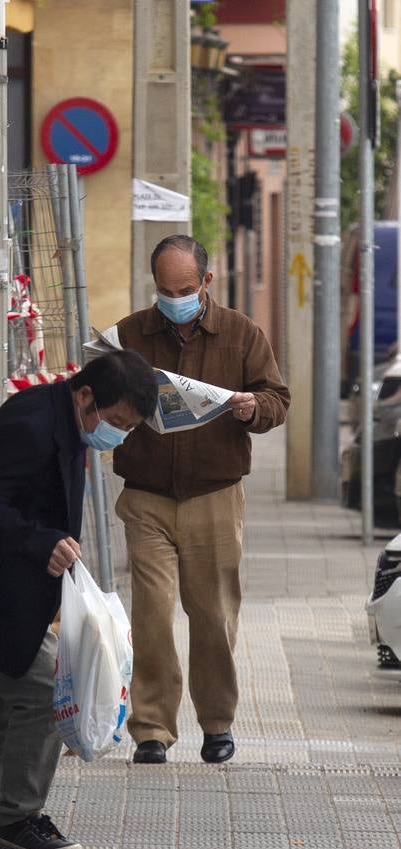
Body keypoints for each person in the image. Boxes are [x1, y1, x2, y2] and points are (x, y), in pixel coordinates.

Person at [0, 350, 158, 849]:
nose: (118, 436)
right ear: (86, 397)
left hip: (2, 589)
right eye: (117, 422)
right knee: (39, 691)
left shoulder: (65, 422)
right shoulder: (34, 425)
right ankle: (16, 820)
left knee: (9, 704)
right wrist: (40, 542)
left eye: (129, 428)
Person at [112, 234, 290, 766]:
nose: (175, 298)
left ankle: (216, 723)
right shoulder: (129, 334)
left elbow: (277, 400)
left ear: (206, 282)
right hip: (146, 494)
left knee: (213, 614)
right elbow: (97, 398)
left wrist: (250, 408)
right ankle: (151, 729)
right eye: (166, 290)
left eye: (185, 288)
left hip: (214, 494)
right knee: (151, 612)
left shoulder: (241, 333)